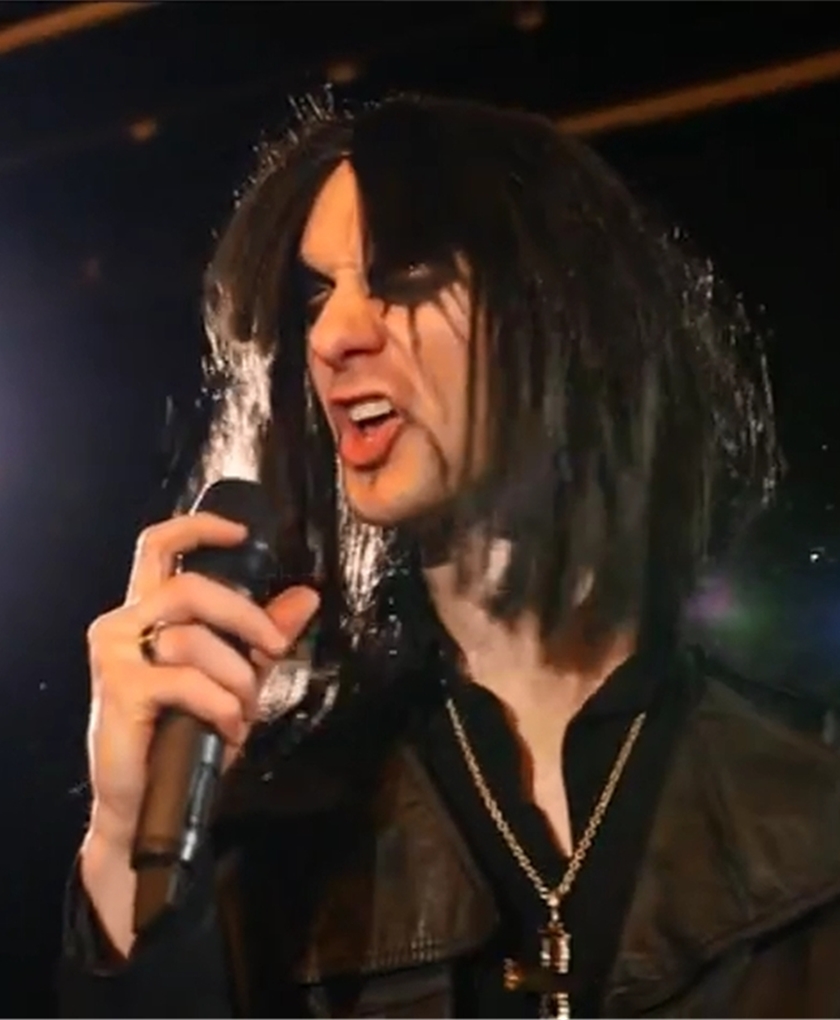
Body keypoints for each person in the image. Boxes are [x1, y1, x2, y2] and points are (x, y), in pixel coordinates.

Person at [58, 92, 840, 1020]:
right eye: (319, 294)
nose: (334, 335)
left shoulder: (809, 789)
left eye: (401, 276)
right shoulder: (282, 826)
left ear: (565, 312)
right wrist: (123, 844)